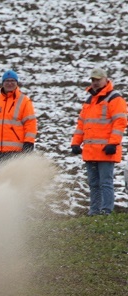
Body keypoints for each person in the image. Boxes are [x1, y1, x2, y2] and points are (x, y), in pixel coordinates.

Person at [71, 68, 127, 215]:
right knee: (94, 183)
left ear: (105, 79)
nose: (95, 83)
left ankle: (106, 211)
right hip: (90, 150)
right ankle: (94, 210)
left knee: (105, 182)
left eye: (98, 80)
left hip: (106, 149)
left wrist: (113, 143)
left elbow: (120, 122)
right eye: (93, 80)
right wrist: (76, 143)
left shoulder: (115, 99)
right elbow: (81, 124)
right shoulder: (90, 100)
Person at [0, 69, 38, 167]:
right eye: (7, 81)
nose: (9, 83)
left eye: (12, 81)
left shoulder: (24, 101)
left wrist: (29, 142)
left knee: (13, 179)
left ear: (17, 83)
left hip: (15, 151)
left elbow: (30, 124)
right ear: (2, 83)